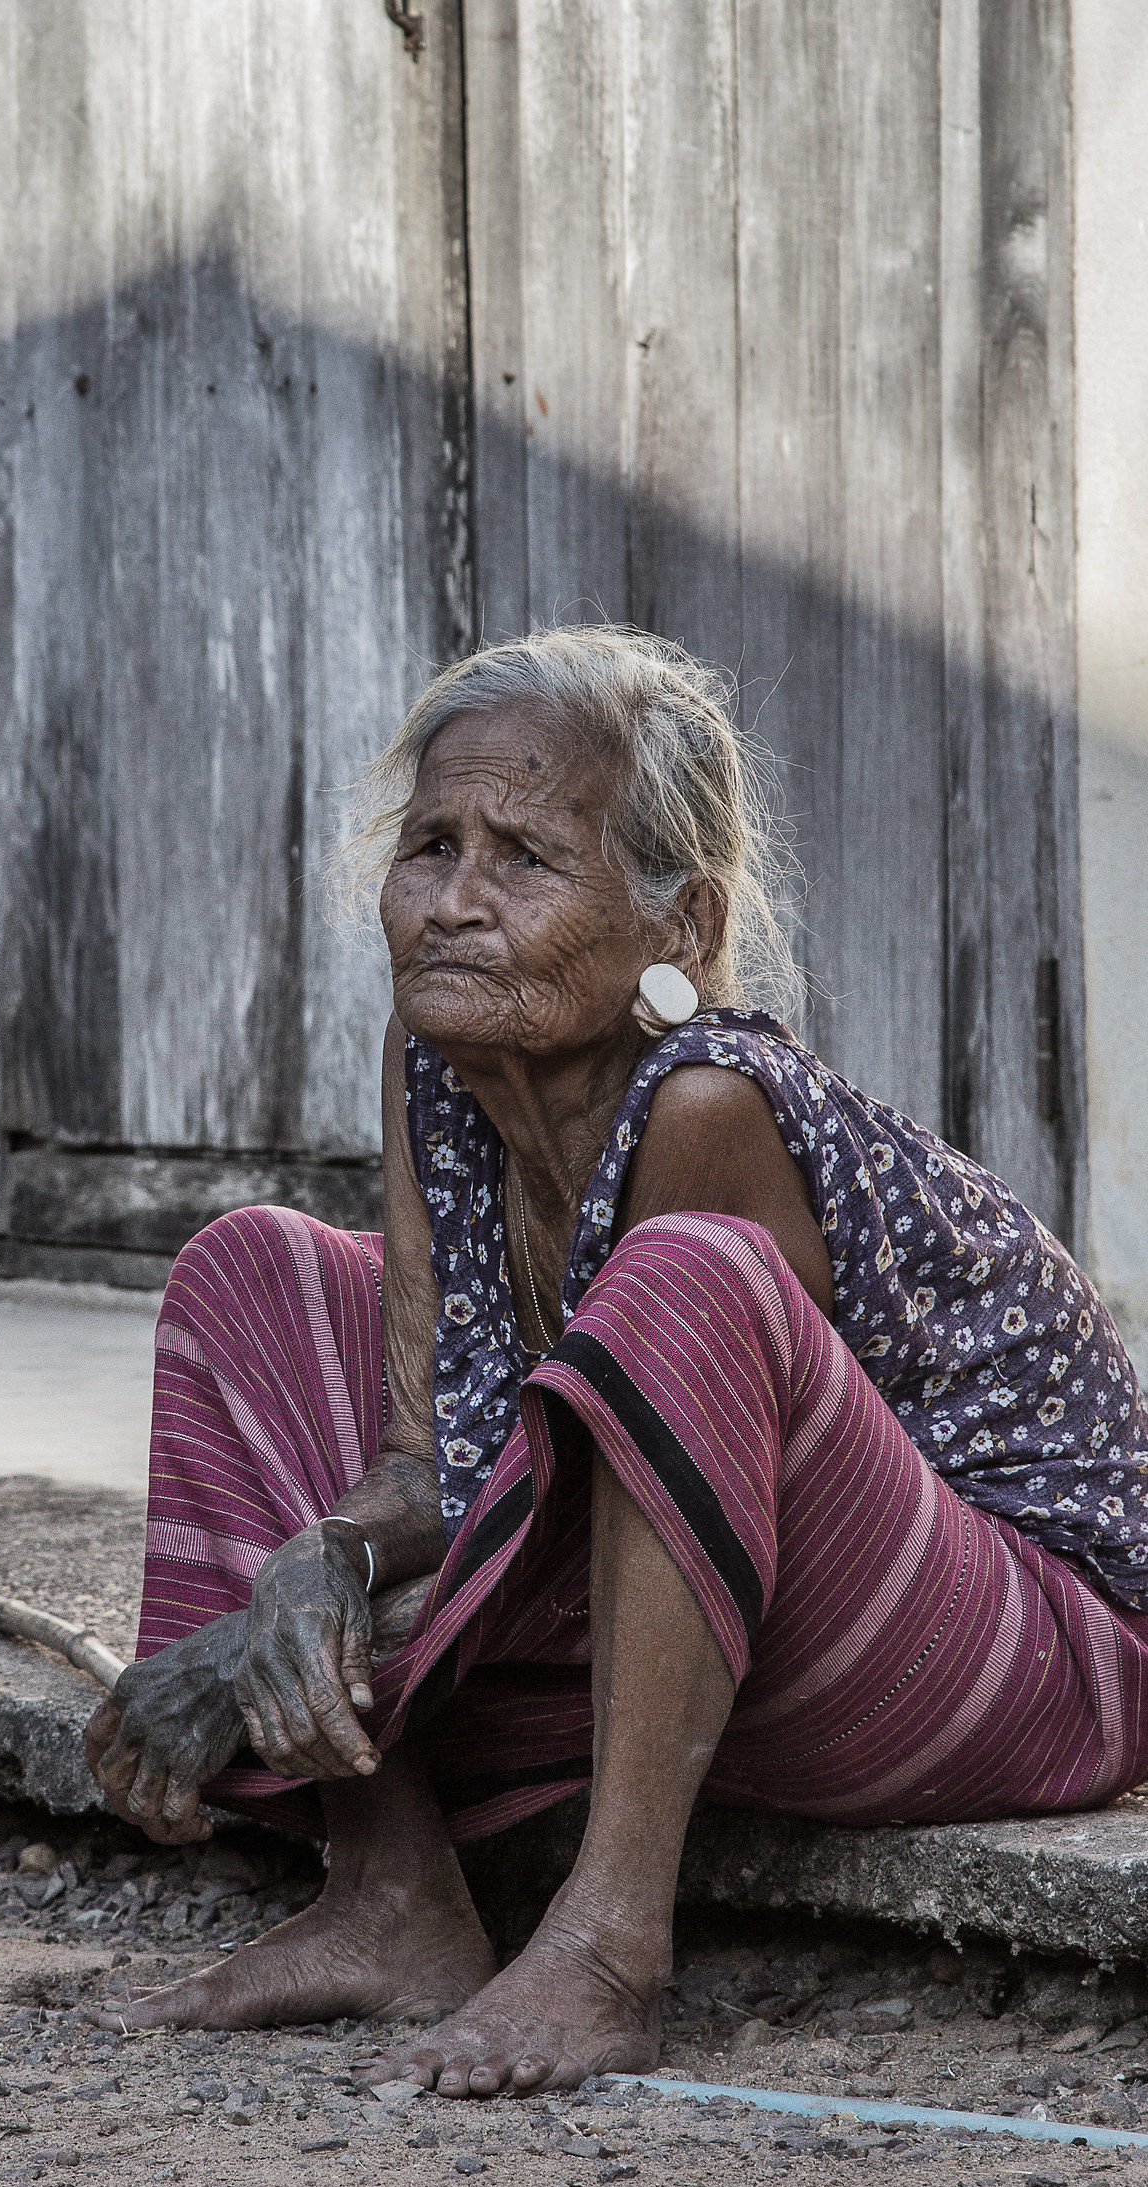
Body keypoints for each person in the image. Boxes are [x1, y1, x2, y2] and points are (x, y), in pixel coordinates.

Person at [83, 626, 1148, 2098]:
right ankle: (392, 1896)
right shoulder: (440, 1055)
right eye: (431, 847)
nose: (453, 902)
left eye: (523, 857)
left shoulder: (710, 1106)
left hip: (1018, 1651)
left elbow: (614, 1510)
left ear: (681, 925)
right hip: (741, 1624)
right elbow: (433, 1463)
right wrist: (313, 1563)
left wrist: (255, 1646)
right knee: (253, 1267)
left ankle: (606, 1950)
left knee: (686, 1282)